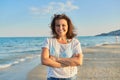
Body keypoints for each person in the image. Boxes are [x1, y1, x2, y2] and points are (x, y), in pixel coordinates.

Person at [41, 14, 83, 80]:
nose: (60, 28)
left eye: (63, 25)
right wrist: (67, 63)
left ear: (68, 26)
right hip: (53, 77)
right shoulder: (48, 41)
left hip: (71, 77)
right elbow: (44, 60)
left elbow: (78, 61)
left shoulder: (75, 42)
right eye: (58, 25)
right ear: (54, 27)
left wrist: (56, 59)